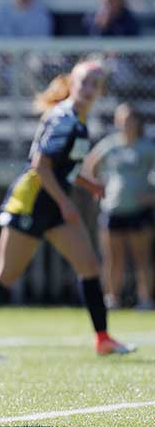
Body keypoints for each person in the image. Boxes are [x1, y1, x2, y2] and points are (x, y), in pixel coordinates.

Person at [0, 59, 135, 358]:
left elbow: (63, 166)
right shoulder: (64, 118)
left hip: (53, 204)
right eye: (85, 82)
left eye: (96, 84)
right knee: (6, 274)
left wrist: (89, 184)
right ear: (72, 83)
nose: (90, 89)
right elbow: (40, 165)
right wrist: (66, 202)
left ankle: (103, 339)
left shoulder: (78, 120)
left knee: (89, 267)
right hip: (33, 202)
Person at [82, 103, 155, 310]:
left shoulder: (147, 147)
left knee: (142, 258)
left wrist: (151, 196)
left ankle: (145, 300)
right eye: (121, 119)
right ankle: (112, 298)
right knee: (113, 258)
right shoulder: (110, 145)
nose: (125, 123)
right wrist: (95, 187)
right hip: (113, 209)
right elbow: (90, 165)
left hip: (139, 211)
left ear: (138, 122)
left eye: (130, 119)